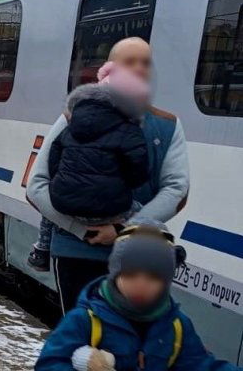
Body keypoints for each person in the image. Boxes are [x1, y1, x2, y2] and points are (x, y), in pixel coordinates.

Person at [27, 37, 190, 314]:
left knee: (125, 345)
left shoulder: (168, 124)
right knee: (85, 341)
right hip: (88, 249)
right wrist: (87, 230)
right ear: (110, 68)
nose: (139, 68)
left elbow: (177, 191)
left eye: (146, 63)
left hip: (133, 259)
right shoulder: (72, 118)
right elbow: (37, 186)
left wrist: (120, 231)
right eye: (130, 62)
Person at [36, 219, 238, 371]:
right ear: (115, 273)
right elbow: (49, 363)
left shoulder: (176, 326)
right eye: (131, 274)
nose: (141, 286)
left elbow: (202, 366)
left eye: (153, 277)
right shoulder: (86, 320)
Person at [28, 61, 150, 271]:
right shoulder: (130, 129)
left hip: (66, 208)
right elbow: (138, 173)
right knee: (143, 209)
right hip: (110, 211)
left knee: (50, 197)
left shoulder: (71, 121)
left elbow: (53, 161)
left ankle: (42, 248)